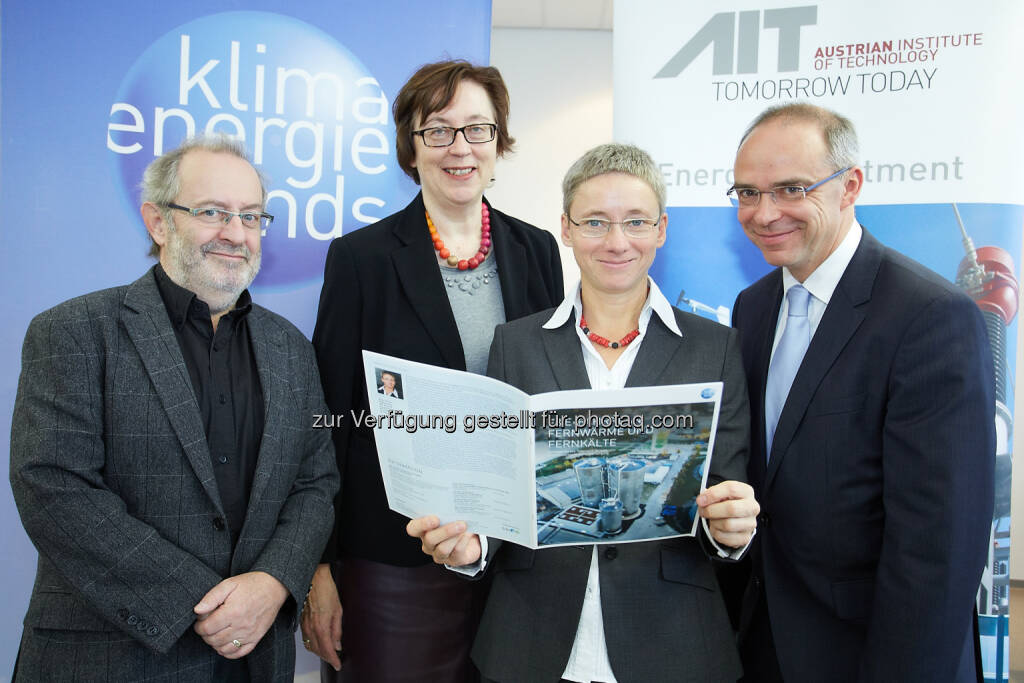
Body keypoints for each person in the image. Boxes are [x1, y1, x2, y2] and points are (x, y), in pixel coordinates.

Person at [407, 143, 759, 683]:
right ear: (567, 230)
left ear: (661, 229)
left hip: (672, 642)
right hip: (532, 638)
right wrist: (472, 545)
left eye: (635, 222)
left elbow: (720, 489)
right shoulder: (515, 344)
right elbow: (502, 491)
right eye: (595, 222)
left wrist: (730, 527)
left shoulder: (716, 348)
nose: (617, 242)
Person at [9, 135, 339, 682]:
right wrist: (202, 602)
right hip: (114, 656)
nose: (235, 233)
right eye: (212, 212)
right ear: (159, 222)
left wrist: (274, 583)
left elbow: (315, 482)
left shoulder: (290, 349)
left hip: (255, 657)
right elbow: (53, 487)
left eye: (252, 217)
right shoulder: (72, 331)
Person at [305, 59, 563, 682]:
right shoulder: (361, 259)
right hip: (394, 566)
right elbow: (327, 423)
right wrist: (319, 569)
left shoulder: (538, 251)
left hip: (515, 561)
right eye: (437, 131)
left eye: (478, 129)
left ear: (499, 142)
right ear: (411, 148)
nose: (460, 148)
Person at [727, 103, 994, 682]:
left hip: (874, 654)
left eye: (791, 188)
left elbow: (938, 550)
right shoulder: (752, 308)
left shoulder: (931, 316)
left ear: (849, 187)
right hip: (765, 643)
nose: (764, 213)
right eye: (747, 192)